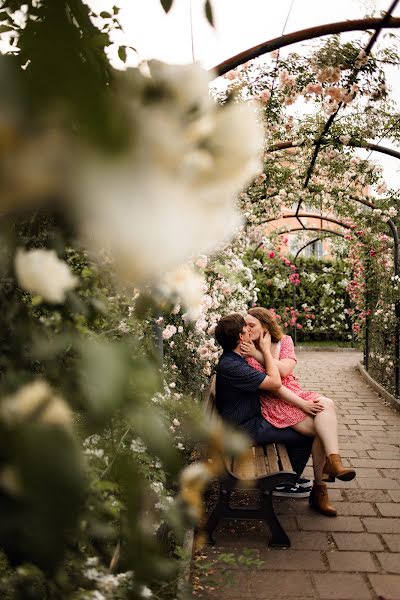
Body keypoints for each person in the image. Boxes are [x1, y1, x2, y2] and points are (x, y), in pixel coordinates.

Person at [240, 306, 356, 516]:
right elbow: (275, 386)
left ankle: (333, 462)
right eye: (245, 325)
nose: (247, 329)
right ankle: (321, 488)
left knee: (327, 404)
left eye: (251, 325)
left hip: (295, 392)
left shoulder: (284, 341)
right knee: (320, 430)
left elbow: (285, 370)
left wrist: (263, 352)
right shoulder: (247, 351)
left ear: (265, 326)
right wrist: (261, 352)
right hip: (275, 402)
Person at [214, 313, 313, 500]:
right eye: (245, 330)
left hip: (248, 420)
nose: (249, 332)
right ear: (240, 338)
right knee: (304, 436)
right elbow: (275, 383)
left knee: (293, 421)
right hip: (244, 429)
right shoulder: (234, 366)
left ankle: (287, 477)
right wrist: (266, 351)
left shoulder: (235, 359)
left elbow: (272, 378)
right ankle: (284, 483)